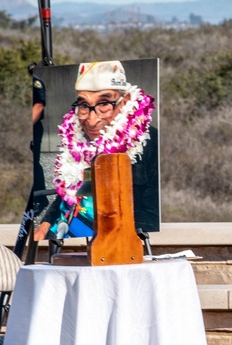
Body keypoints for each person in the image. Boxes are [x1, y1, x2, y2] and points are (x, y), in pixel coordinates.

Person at [33, 60, 158, 242]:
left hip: (117, 241)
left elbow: (151, 216)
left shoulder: (148, 140)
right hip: (65, 234)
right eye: (84, 106)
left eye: (104, 104)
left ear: (125, 102)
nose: (91, 121)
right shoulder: (75, 137)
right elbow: (68, 194)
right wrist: (45, 225)